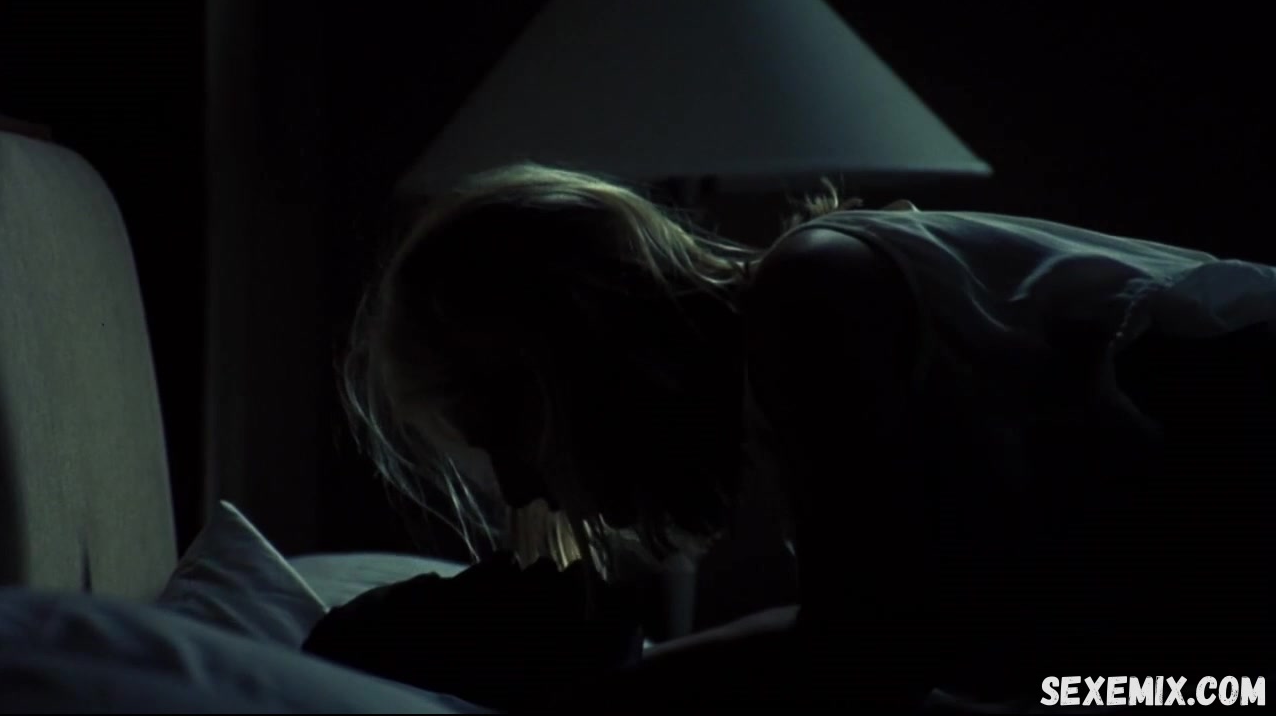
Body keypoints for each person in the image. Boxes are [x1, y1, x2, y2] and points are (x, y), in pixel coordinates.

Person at [339, 163, 1276, 708]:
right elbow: (895, 634)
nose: (519, 489)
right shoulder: (807, 356)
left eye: (504, 427)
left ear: (569, 355)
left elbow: (863, 650)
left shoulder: (815, 295)